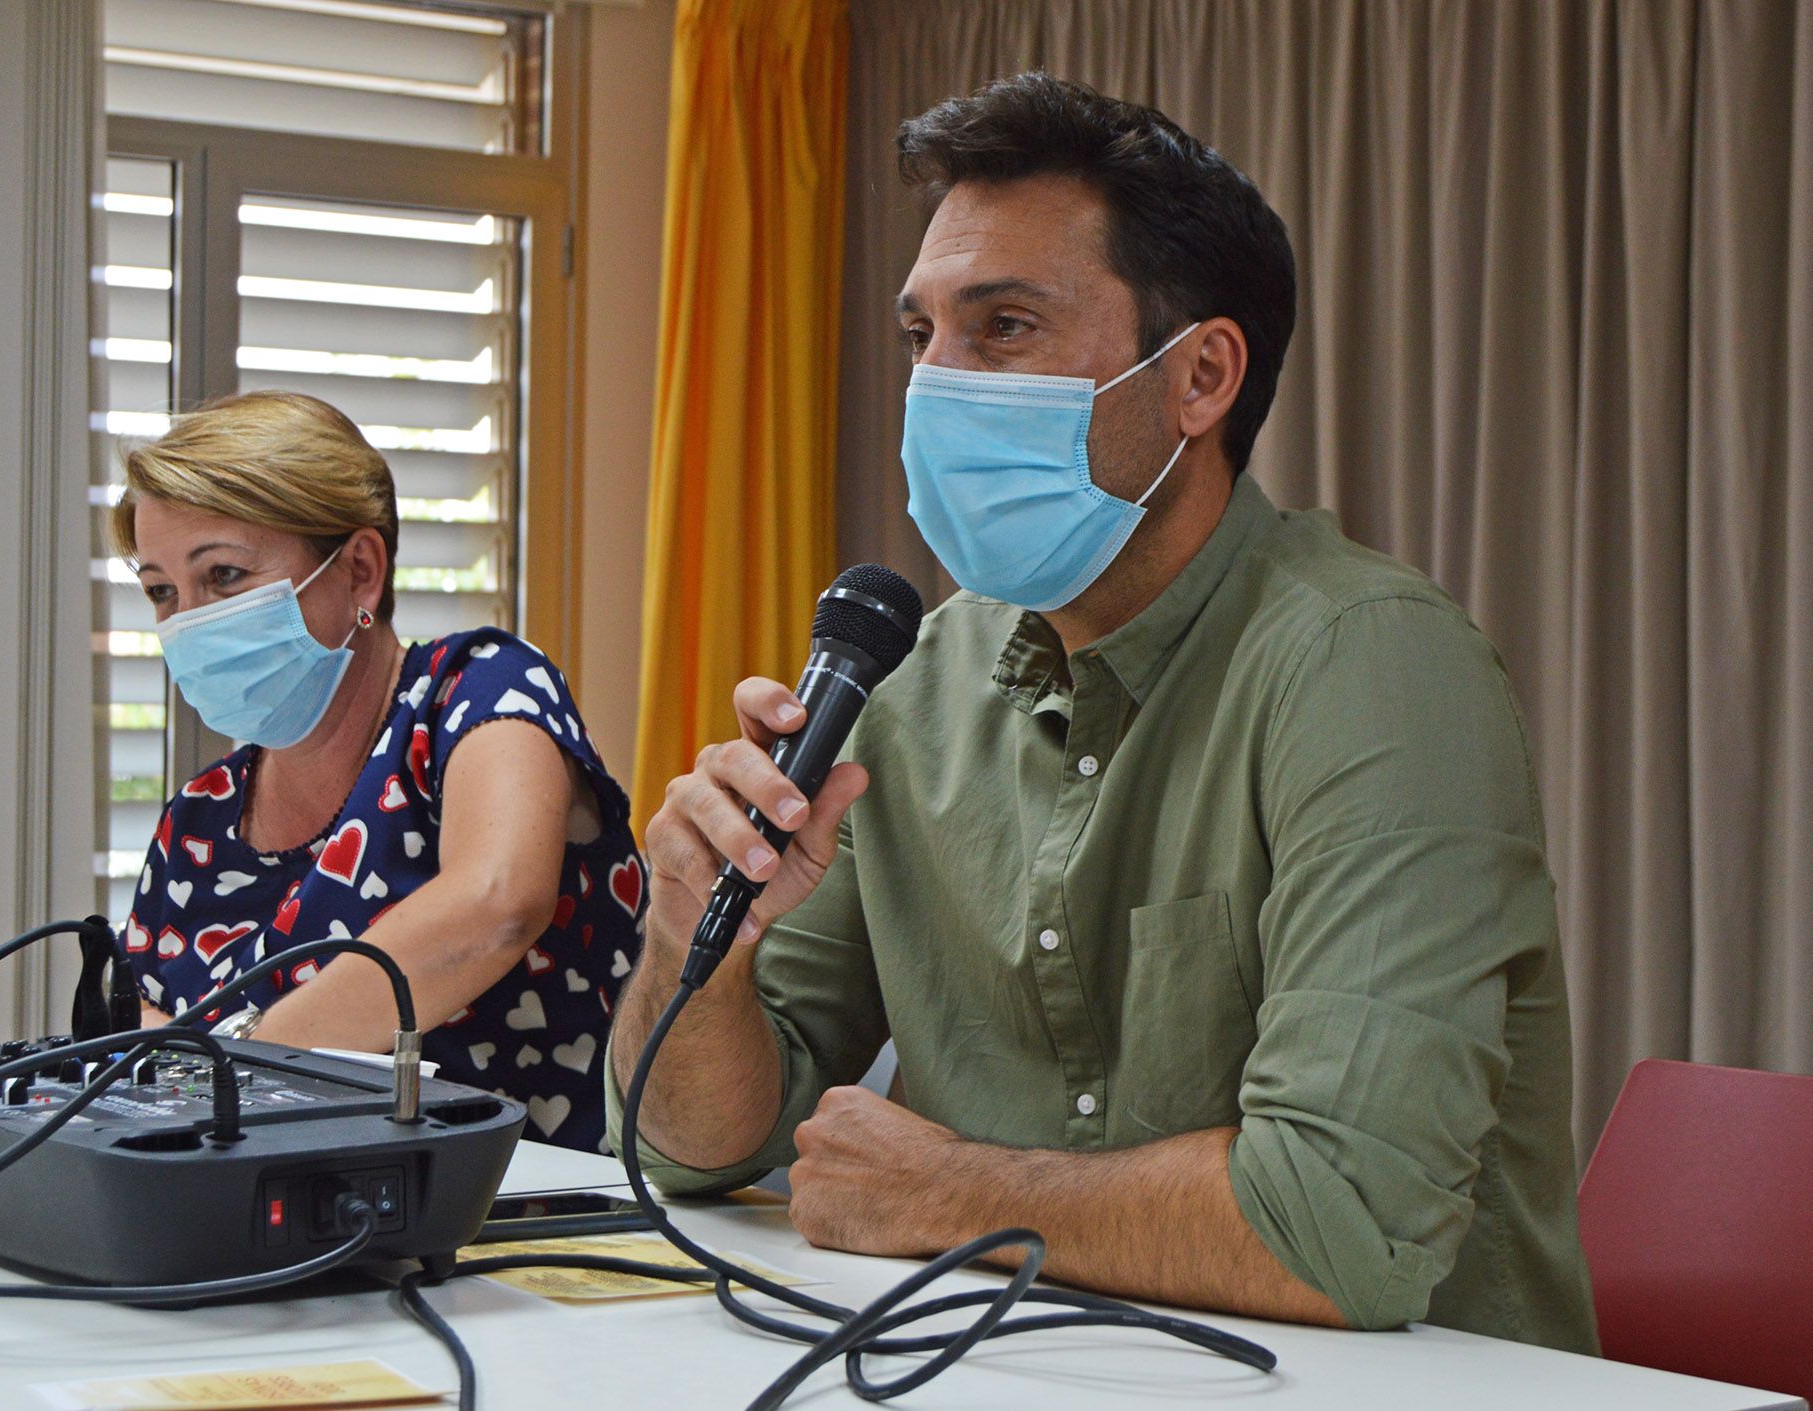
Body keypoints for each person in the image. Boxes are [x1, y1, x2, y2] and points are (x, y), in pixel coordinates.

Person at [608, 74, 1598, 1351]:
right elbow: (693, 1146)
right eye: (922, 337)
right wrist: (698, 943)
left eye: (1004, 325)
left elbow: (1345, 1220)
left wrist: (952, 1193)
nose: (938, 385)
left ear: (1198, 377)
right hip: (1024, 1365)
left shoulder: (1372, 665)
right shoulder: (910, 678)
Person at [116, 390, 644, 1152]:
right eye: (162, 591)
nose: (187, 620)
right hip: (273, 1237)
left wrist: (242, 1068)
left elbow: (497, 903)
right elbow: (149, 1062)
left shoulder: (480, 690)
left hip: (536, 1233)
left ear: (360, 570)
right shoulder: (196, 820)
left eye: (224, 576)